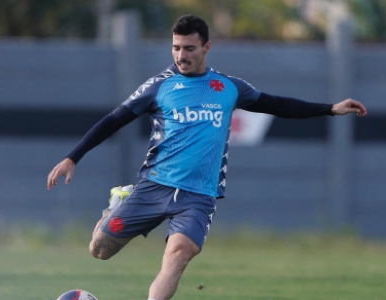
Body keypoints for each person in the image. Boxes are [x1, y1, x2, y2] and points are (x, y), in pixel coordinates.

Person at [47, 14, 367, 300]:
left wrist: (330, 109)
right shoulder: (159, 87)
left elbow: (278, 105)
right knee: (99, 250)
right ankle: (118, 202)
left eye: (188, 48)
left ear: (206, 47)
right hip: (154, 185)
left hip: (198, 196)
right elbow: (115, 119)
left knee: (178, 254)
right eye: (175, 48)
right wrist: (73, 156)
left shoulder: (228, 88)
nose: (180, 56)